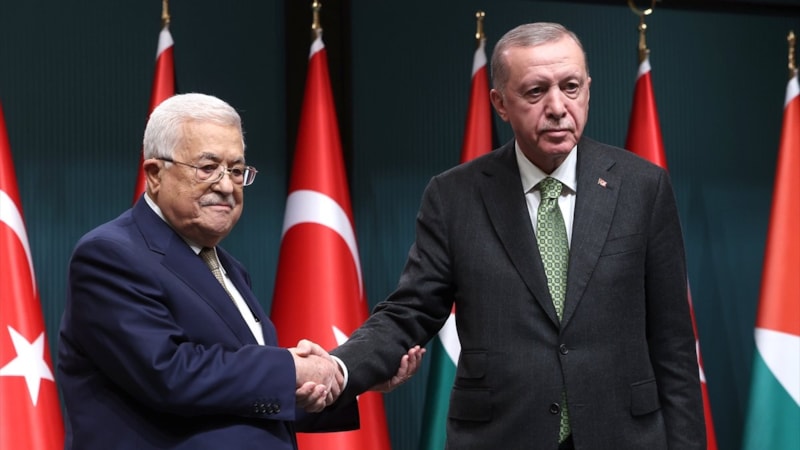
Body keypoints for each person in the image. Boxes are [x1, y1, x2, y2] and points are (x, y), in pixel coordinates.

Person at [330, 22, 705, 449]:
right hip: (501, 436)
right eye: (535, 91)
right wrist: (337, 369)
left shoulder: (643, 187)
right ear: (500, 103)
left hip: (621, 435)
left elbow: (674, 344)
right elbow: (410, 311)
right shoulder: (454, 196)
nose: (558, 107)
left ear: (588, 89)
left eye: (570, 87)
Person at [57, 92, 423, 450]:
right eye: (207, 168)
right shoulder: (110, 255)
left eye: (236, 170)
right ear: (155, 173)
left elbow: (238, 394)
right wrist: (292, 369)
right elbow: (168, 374)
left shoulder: (229, 268)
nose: (226, 185)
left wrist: (344, 379)